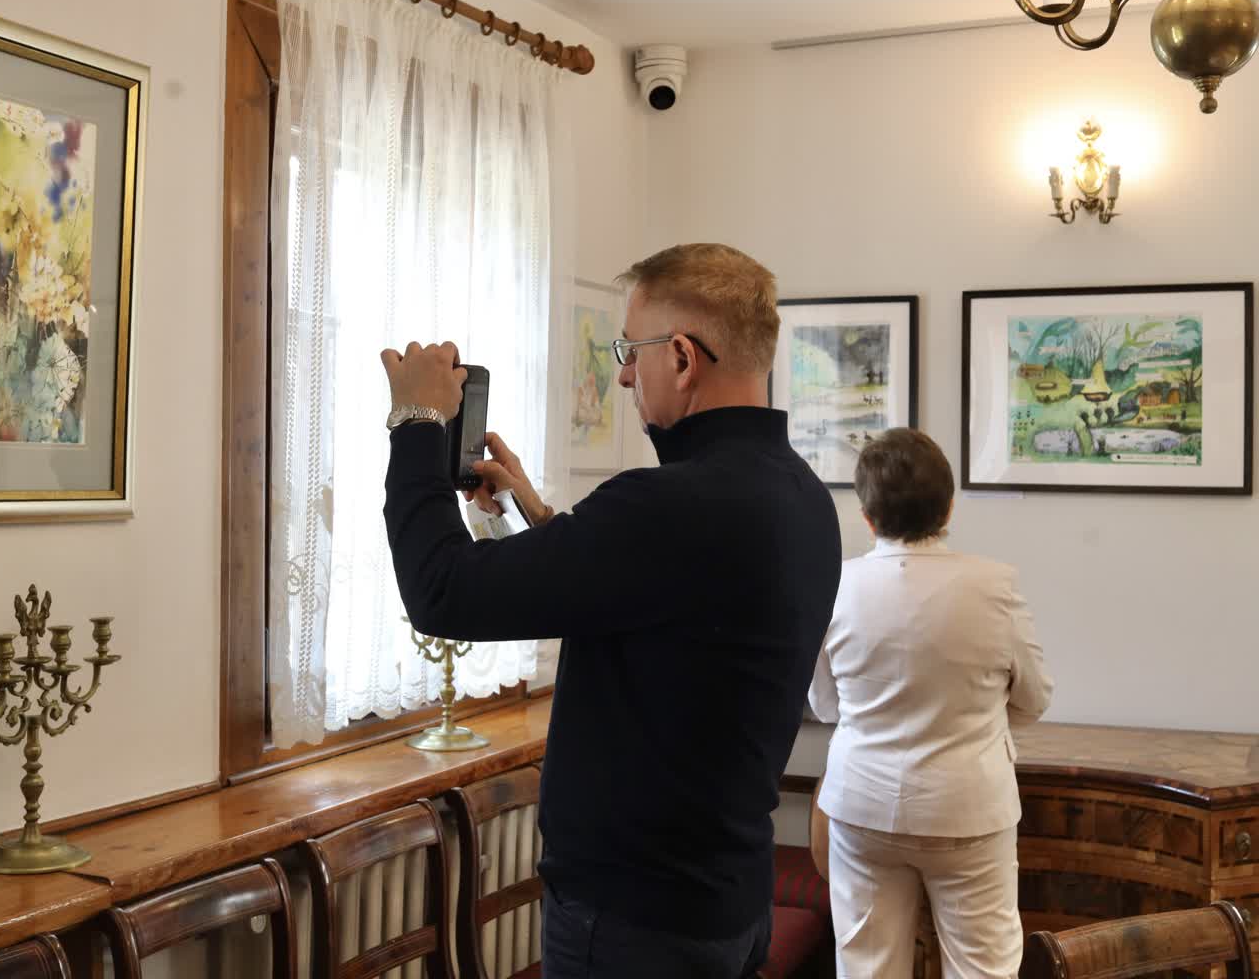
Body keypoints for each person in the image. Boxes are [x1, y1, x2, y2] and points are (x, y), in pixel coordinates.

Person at [380, 243, 842, 978]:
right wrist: (536, 517)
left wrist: (416, 421)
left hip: (637, 922)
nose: (623, 374)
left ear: (682, 358)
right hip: (725, 896)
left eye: (630, 351)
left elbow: (441, 592)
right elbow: (659, 607)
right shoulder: (801, 496)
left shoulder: (667, 506)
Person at [808, 428, 1054, 979]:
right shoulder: (995, 586)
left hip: (861, 804)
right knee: (983, 969)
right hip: (969, 805)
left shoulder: (836, 586)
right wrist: (978, 720)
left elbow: (825, 706)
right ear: (948, 508)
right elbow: (1035, 698)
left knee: (867, 968)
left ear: (867, 516)